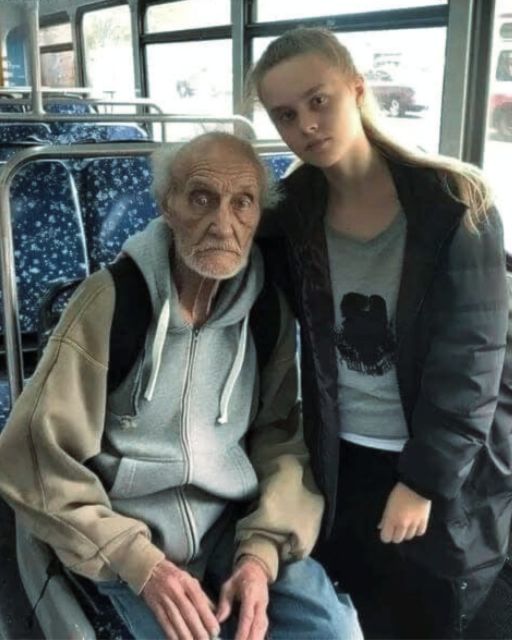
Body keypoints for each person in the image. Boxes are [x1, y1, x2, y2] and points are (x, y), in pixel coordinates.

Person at [0, 132, 362, 640]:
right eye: (201, 199)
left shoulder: (266, 311)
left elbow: (280, 440)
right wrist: (139, 561)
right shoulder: (109, 303)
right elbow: (34, 457)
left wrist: (260, 553)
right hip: (125, 529)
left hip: (230, 522)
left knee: (332, 630)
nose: (223, 224)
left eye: (243, 203)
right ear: (167, 206)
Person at [250, 27, 511, 639]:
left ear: (357, 89)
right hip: (341, 453)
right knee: (365, 606)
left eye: (319, 101)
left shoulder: (453, 202)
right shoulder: (290, 213)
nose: (306, 125)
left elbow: (472, 360)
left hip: (435, 454)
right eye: (285, 115)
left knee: (436, 608)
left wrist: (421, 482)